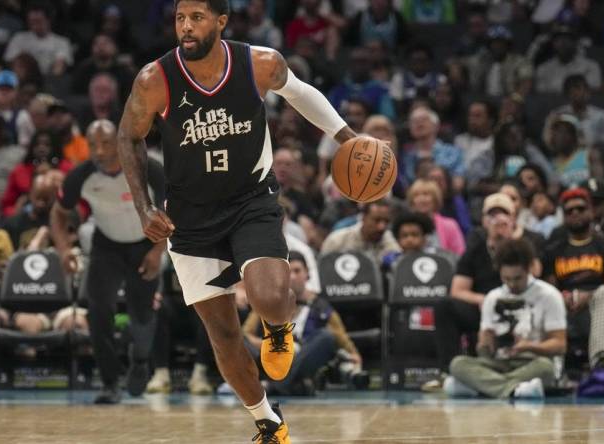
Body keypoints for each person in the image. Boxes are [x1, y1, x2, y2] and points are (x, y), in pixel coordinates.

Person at [115, 1, 376, 441]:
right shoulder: (154, 79)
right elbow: (128, 135)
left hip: (250, 200)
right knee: (223, 333)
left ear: (220, 21)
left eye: (197, 17)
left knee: (270, 296)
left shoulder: (258, 63)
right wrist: (143, 206)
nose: (186, 27)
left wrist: (347, 136)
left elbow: (300, 92)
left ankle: (278, 329)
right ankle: (268, 422)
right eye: (180, 18)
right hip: (189, 219)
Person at [52, 119, 165, 404]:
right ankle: (110, 382)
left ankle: (140, 360)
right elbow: (58, 213)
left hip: (145, 245)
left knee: (141, 313)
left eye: (105, 143)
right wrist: (64, 248)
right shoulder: (81, 176)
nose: (99, 150)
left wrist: (158, 251)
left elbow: (173, 208)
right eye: (92, 144)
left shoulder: (148, 168)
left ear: (119, 141)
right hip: (107, 246)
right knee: (98, 310)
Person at [445, 238, 566, 399]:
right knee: (458, 364)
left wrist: (529, 346)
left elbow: (560, 345)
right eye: (506, 279)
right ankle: (515, 390)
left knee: (546, 368)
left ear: (529, 269)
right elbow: (485, 355)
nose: (512, 284)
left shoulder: (549, 295)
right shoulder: (492, 297)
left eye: (518, 278)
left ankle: (482, 388)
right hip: (499, 363)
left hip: (532, 361)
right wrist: (484, 344)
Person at [242, 251, 362, 396]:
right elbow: (245, 334)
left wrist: (354, 358)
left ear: (307, 274)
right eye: (287, 272)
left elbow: (345, 343)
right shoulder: (268, 301)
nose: (292, 277)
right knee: (238, 339)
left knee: (326, 337)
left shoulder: (322, 307)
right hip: (271, 359)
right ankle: (290, 385)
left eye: (297, 271)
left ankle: (274, 386)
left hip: (303, 360)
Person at [542, 188, 604, 369]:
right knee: (548, 298)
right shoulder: (554, 250)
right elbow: (550, 289)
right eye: (569, 211)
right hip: (564, 306)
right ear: (564, 216)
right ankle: (552, 368)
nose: (575, 213)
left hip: (599, 305)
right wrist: (564, 297)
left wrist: (588, 296)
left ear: (591, 211)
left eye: (580, 209)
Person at [321, 200, 400, 265]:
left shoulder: (389, 242)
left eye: (386, 221)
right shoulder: (337, 241)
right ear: (363, 218)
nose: (382, 227)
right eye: (377, 220)